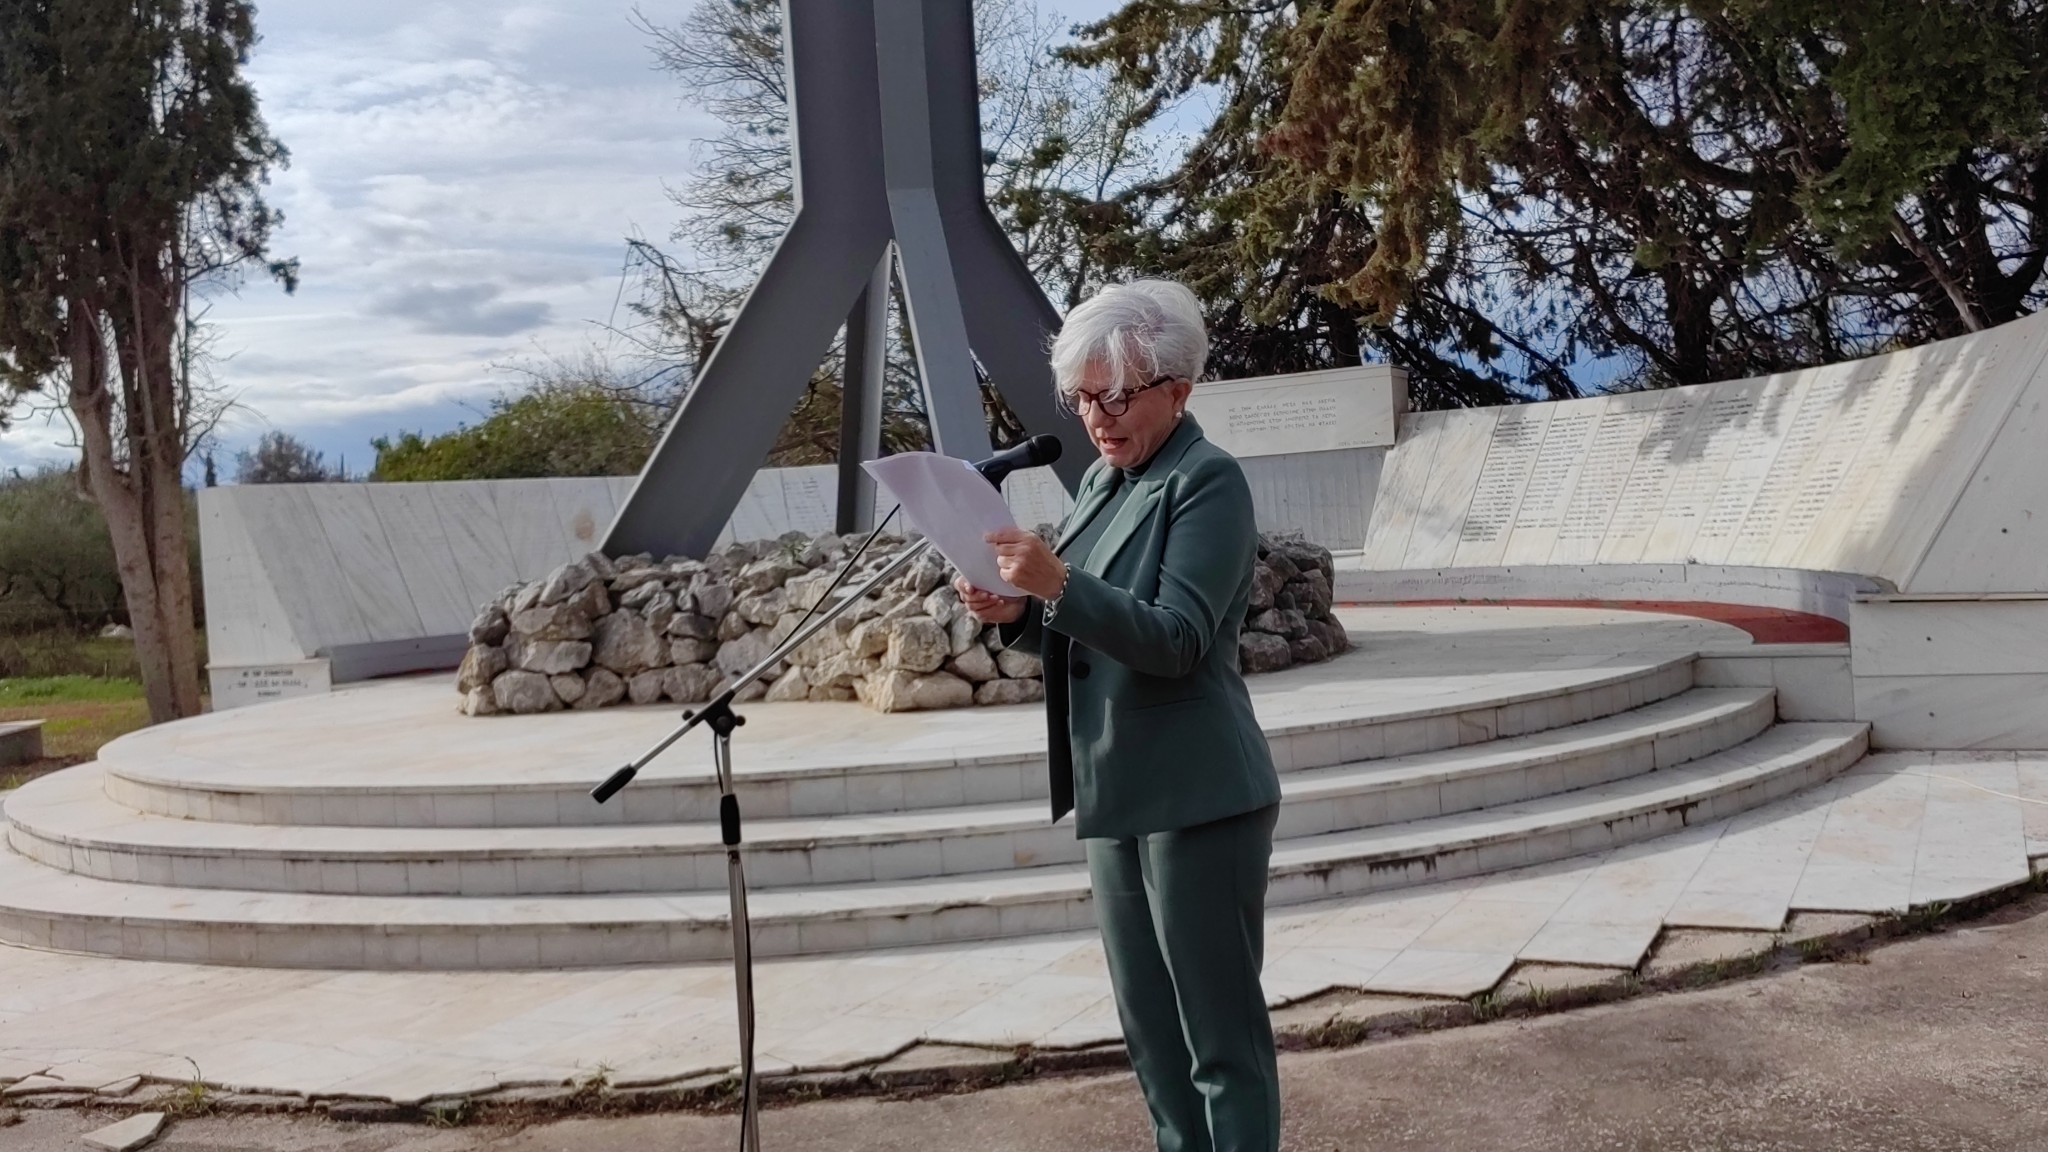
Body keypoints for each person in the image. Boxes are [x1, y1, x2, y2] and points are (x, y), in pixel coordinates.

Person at [955, 279, 1282, 1152]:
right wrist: (1019, 613)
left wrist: (1056, 584)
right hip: (1116, 792)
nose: (1097, 417)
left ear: (1179, 388)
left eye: (1117, 395)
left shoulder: (1205, 481)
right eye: (1082, 397)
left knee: (1220, 1042)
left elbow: (1176, 639)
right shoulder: (1103, 481)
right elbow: (1088, 628)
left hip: (1200, 795)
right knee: (1153, 1040)